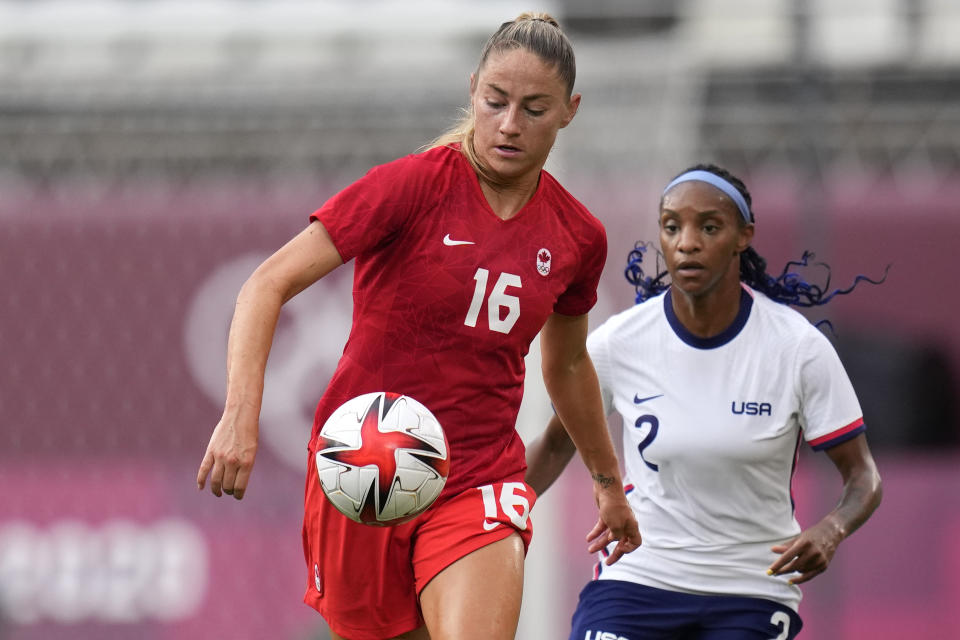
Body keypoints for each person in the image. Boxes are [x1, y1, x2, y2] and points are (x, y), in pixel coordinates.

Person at [196, 12, 641, 640]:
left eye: (534, 108)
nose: (510, 124)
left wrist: (606, 482)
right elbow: (266, 284)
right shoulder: (409, 187)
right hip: (361, 469)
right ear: (472, 92)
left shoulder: (577, 236)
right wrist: (240, 414)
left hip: (478, 477)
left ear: (570, 110)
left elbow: (566, 365)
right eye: (497, 102)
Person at [526, 164, 884, 639]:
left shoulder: (796, 347)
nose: (686, 242)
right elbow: (554, 447)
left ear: (743, 236)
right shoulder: (620, 342)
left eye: (708, 227)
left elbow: (863, 476)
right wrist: (494, 512)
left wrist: (832, 529)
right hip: (639, 576)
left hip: (751, 590)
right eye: (672, 227)